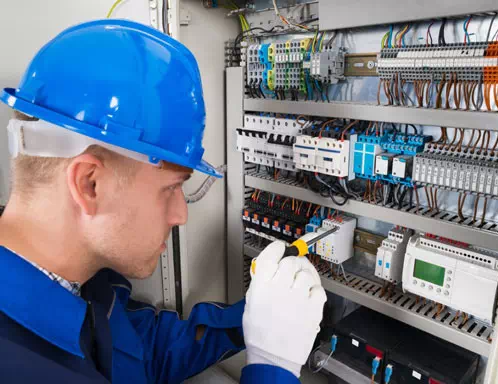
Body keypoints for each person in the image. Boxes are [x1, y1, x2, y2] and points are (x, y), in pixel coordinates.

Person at [0, 19, 326, 383]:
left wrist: (259, 320)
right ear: (90, 183)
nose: (181, 214)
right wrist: (272, 368)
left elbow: (138, 352)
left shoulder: (82, 284)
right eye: (171, 188)